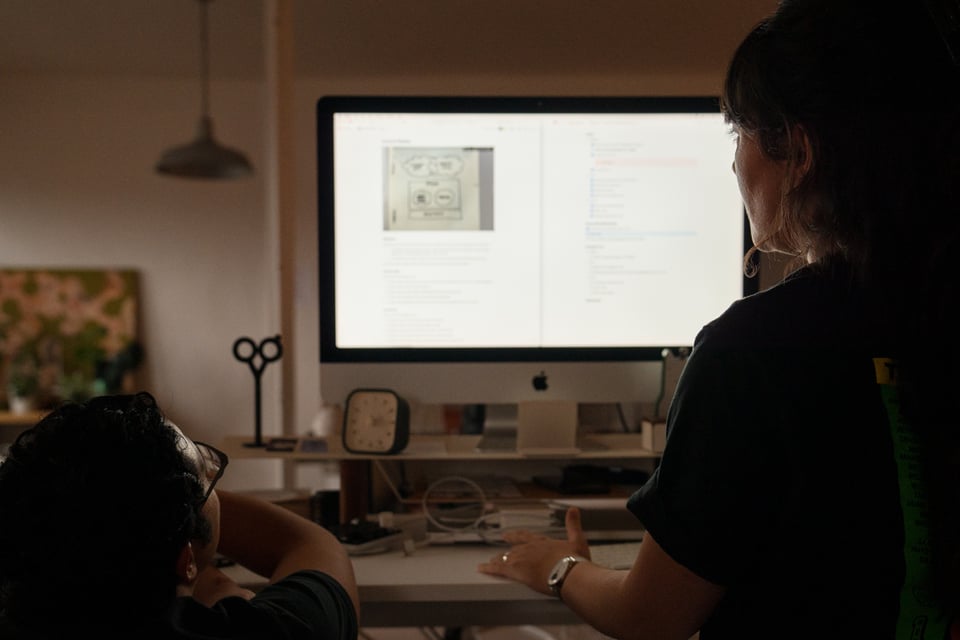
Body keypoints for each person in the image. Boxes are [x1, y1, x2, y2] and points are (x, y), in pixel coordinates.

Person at [479, 0, 960, 638]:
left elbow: (650, 619)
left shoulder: (754, 351)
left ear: (800, 148)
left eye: (740, 134)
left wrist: (559, 567)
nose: (735, 165)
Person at [0, 392, 359, 639]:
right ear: (186, 557)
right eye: (207, 475)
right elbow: (310, 545)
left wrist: (68, 494)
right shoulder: (269, 632)